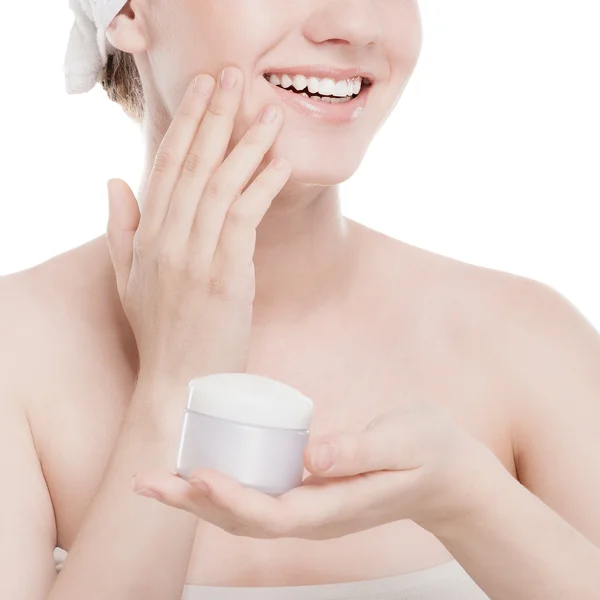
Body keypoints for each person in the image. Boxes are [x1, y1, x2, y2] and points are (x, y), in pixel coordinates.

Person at [1, 1, 599, 599]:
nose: (358, 24)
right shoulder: (16, 357)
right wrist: (174, 384)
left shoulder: (533, 344)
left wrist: (471, 502)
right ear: (129, 10)